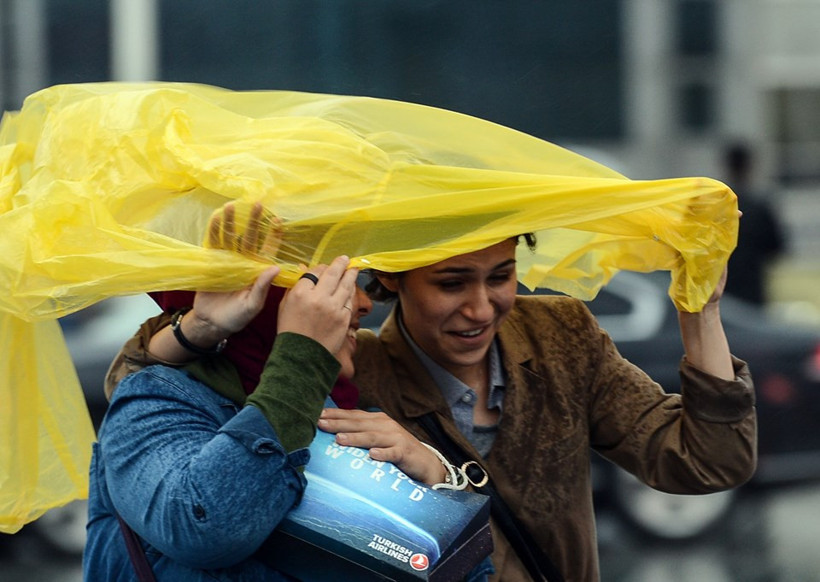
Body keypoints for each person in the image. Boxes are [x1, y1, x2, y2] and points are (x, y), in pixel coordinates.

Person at [109, 209, 757, 582]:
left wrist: (700, 311)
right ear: (391, 280)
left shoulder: (562, 334)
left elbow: (709, 460)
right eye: (452, 284)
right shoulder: (352, 370)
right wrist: (197, 328)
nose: (482, 307)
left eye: (501, 277)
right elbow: (139, 394)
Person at [83, 248, 465, 580]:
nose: (365, 303)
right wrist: (303, 356)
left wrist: (438, 482)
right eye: (326, 284)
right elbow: (206, 528)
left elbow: (464, 570)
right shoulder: (156, 398)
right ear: (269, 301)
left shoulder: (349, 414)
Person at [722, 141, 786, 305]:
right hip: (753, 288)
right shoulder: (760, 204)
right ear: (750, 165)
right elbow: (777, 247)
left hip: (722, 287)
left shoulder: (716, 204)